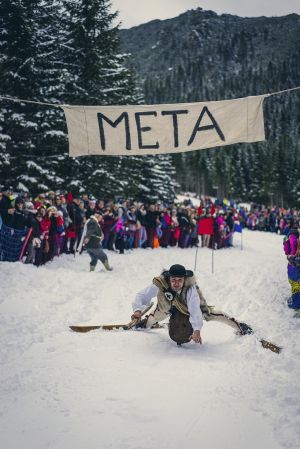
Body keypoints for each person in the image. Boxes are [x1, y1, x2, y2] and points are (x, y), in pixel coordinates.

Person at [131, 264, 253, 346]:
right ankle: (144, 324)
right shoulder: (161, 283)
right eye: (173, 280)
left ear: (184, 279)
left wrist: (197, 330)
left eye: (180, 280)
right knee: (155, 317)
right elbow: (142, 295)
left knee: (210, 314)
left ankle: (240, 326)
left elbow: (195, 311)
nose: (176, 283)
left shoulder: (190, 289)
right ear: (169, 278)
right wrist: (137, 310)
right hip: (166, 306)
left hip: (187, 308)